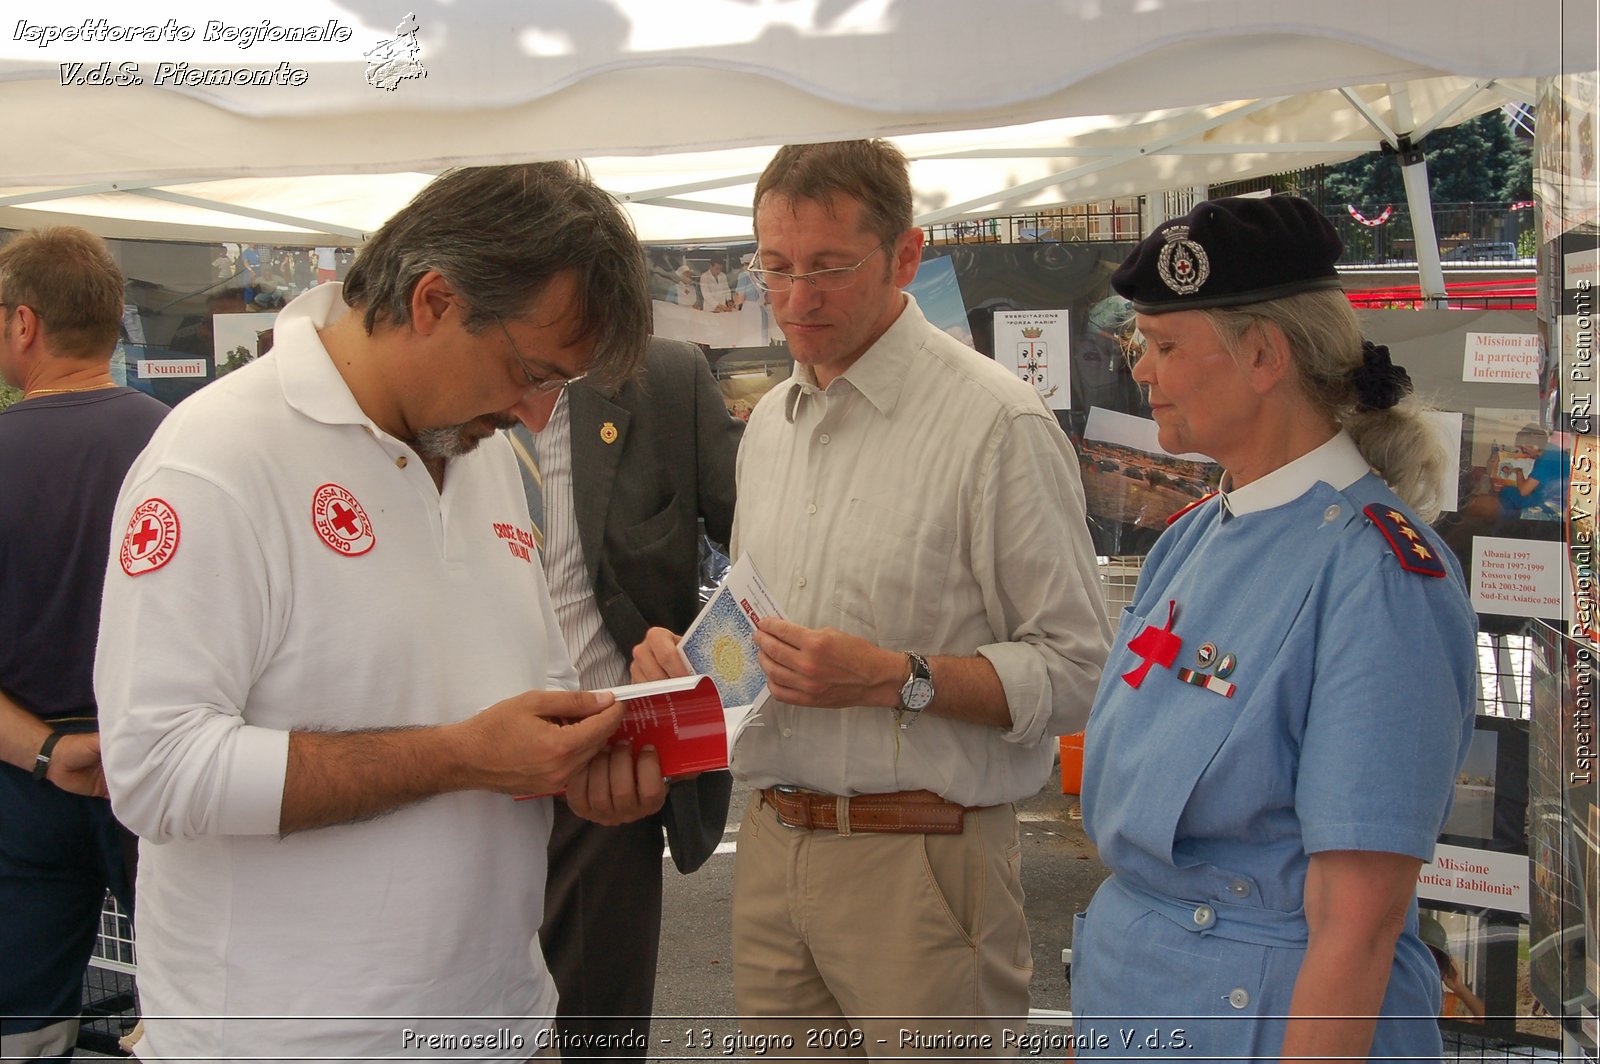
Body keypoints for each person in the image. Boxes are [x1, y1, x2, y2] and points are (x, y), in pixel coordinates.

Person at [94, 163, 659, 1062]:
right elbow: (156, 771)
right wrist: (456, 757)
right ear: (433, 300)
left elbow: (518, 697)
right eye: (527, 371)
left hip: (504, 1021)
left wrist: (604, 736)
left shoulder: (481, 459)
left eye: (560, 385)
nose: (532, 413)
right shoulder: (216, 461)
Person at [633, 139, 1111, 1052]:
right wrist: (686, 678)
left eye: (828, 268)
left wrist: (897, 678)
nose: (797, 298)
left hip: (924, 862)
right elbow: (759, 630)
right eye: (774, 268)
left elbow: (1080, 669)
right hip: (774, 849)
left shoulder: (997, 424)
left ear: (905, 256)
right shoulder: (772, 421)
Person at [1071, 196, 1478, 1060]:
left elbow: (1357, 928)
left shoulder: (1381, 576)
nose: (1142, 370)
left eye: (1167, 345)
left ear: (1262, 354)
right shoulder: (1195, 533)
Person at [509, 336, 743, 1061]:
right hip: (454, 776)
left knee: (599, 1037)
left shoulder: (660, 379)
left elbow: (774, 552)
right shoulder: (430, 392)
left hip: (606, 775)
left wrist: (686, 658)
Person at [0, 227, 169, 1061]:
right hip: (166, 776)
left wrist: (44, 754)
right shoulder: (187, 445)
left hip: (23, 788)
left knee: (21, 1024)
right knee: (192, 1012)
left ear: (23, 324)